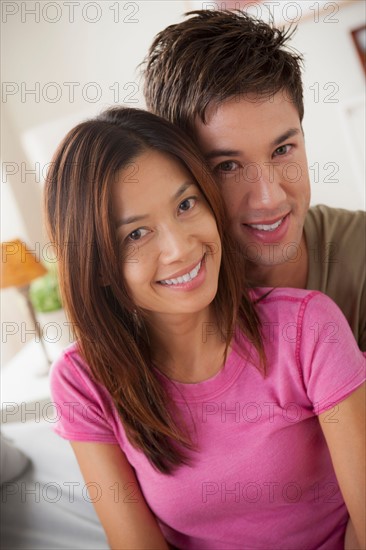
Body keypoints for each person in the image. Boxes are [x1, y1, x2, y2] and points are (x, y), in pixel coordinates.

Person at [45, 107, 365, 549]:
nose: (180, 248)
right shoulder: (82, 381)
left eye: (185, 204)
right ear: (98, 265)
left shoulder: (310, 327)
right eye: (136, 234)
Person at [142, 9, 366, 351]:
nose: (269, 198)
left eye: (282, 150)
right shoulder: (168, 305)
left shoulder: (360, 251)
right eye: (227, 166)